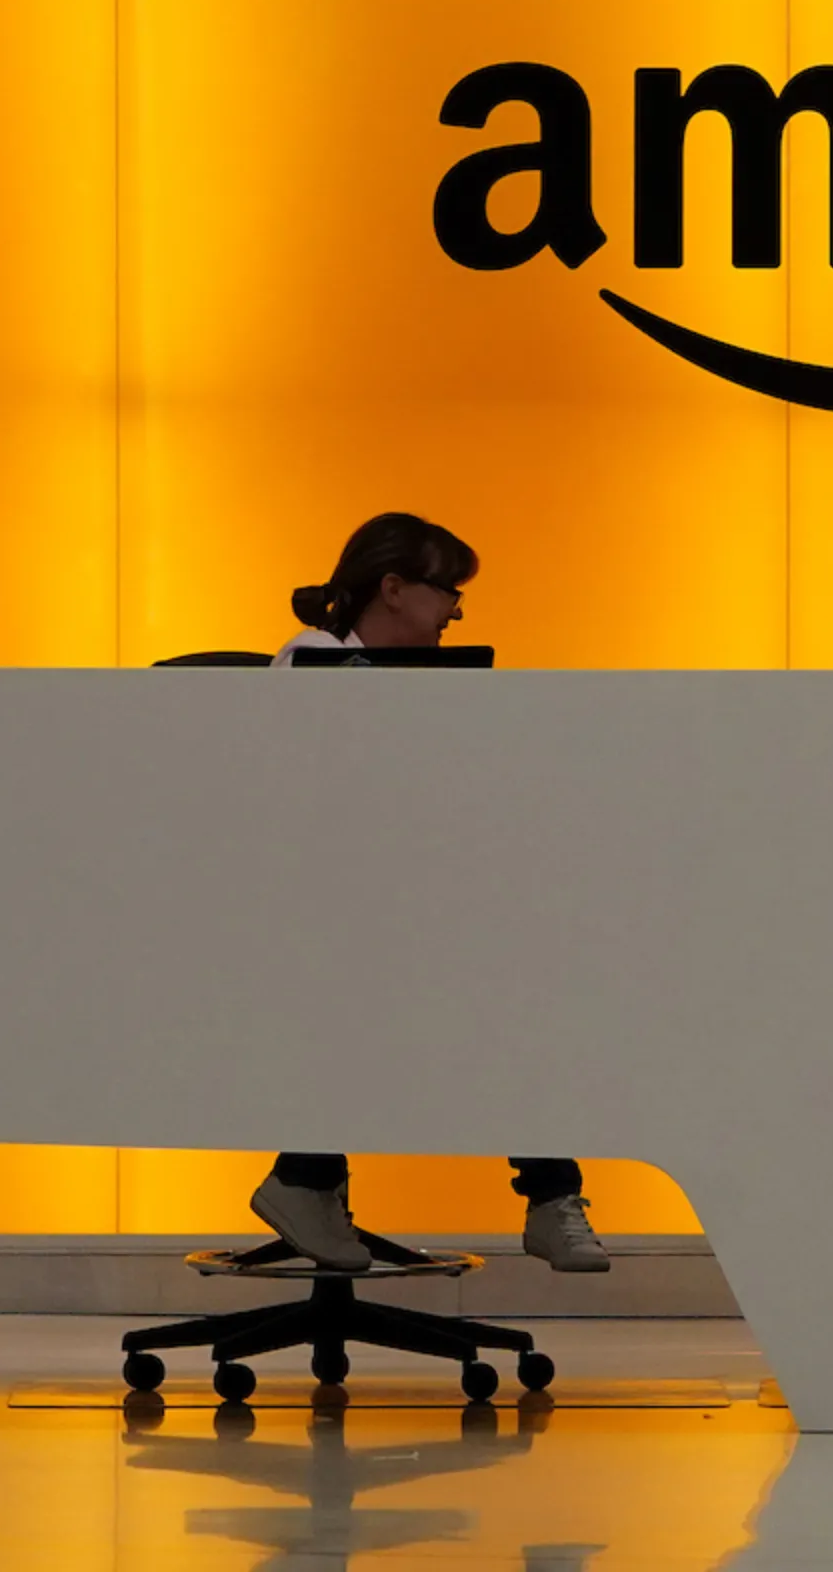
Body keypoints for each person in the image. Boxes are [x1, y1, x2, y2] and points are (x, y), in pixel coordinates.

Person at [255, 512, 610, 1275]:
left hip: (400, 907)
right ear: (391, 588)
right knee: (494, 982)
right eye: (449, 590)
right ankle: (310, 1178)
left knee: (524, 982)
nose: (457, 611)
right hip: (322, 914)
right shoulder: (310, 662)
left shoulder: (427, 688)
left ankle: (309, 1176)